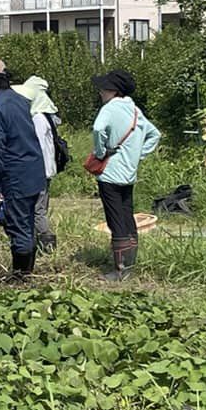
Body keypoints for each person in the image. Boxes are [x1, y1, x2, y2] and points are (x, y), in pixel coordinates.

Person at [0, 55, 47, 279]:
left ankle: (21, 277)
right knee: (28, 222)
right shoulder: (19, 100)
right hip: (34, 170)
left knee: (18, 225)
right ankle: (27, 271)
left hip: (15, 175)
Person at [88, 69, 161, 279]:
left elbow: (98, 129)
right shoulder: (134, 109)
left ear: (113, 91)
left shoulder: (110, 108)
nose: (100, 92)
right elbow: (154, 134)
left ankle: (121, 271)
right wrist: (139, 154)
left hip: (110, 172)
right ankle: (131, 265)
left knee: (115, 220)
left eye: (103, 88)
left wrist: (101, 152)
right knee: (127, 216)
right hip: (129, 173)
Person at [15, 74, 64, 255]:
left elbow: (37, 149)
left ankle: (46, 244)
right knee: (40, 207)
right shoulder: (48, 117)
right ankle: (42, 243)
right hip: (46, 170)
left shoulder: (37, 119)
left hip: (39, 171)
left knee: (37, 210)